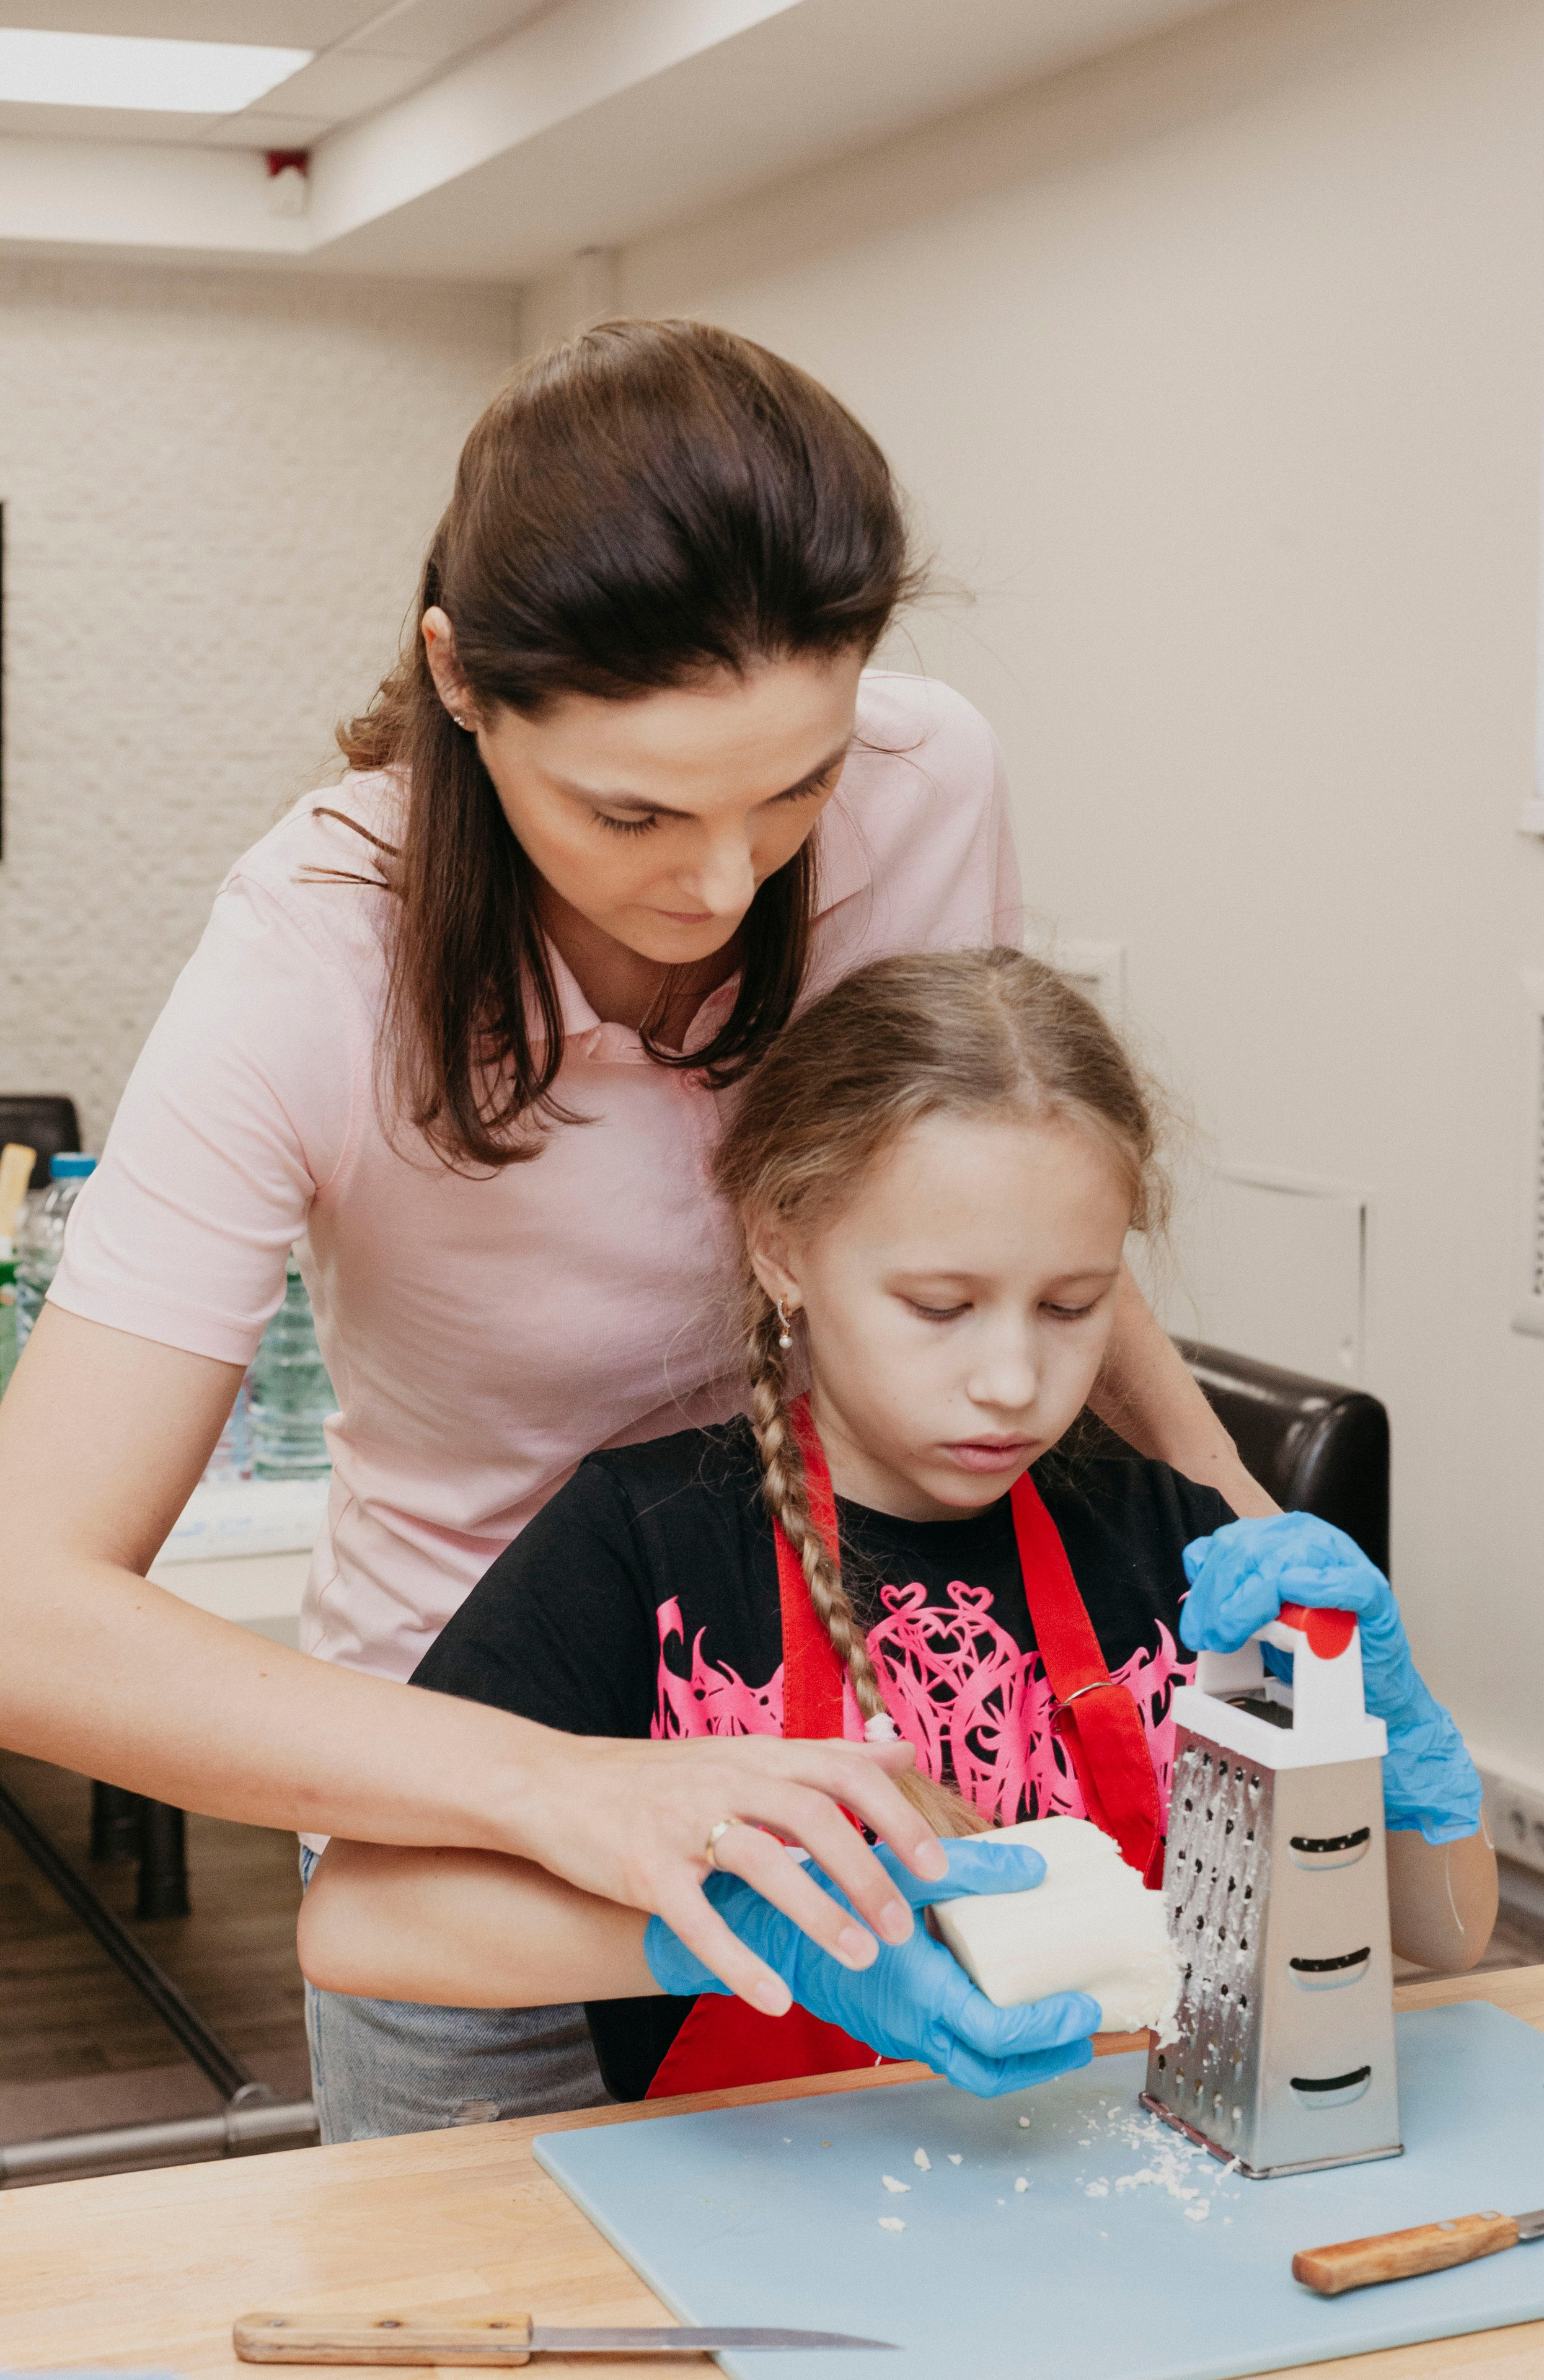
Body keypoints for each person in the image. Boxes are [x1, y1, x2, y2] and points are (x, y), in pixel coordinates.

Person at [0, 319, 1275, 2135]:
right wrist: (570, 1795)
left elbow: (1001, 1204)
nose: (720, 881)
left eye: (795, 788)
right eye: (630, 808)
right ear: (460, 680)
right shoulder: (311, 953)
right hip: (481, 1805)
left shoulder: (931, 784)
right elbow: (25, 1605)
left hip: (871, 1755)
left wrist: (1246, 1529)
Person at [298, 950, 1495, 2120]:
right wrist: (715, 1939)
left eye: (1072, 1308)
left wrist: (1405, 1749)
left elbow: (1445, 1935)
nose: (1015, 1380)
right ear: (783, 1247)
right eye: (940, 1308)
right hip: (756, 2235)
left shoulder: (1175, 1548)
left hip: (1128, 2203)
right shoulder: (644, 1547)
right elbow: (361, 1918)